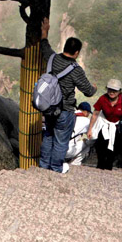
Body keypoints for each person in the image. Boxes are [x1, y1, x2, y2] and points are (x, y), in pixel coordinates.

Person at [38, 18, 97, 173]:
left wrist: (44, 32)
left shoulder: (52, 58)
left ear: (64, 47)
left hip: (49, 107)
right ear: (76, 52)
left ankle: (43, 166)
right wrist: (94, 88)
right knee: (61, 141)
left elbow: (44, 46)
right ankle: (56, 168)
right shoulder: (75, 69)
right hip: (65, 110)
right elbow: (88, 91)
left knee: (48, 136)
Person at [87, 78, 122, 170]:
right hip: (104, 123)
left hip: (116, 126)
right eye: (109, 89)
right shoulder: (103, 99)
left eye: (114, 90)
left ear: (119, 91)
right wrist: (90, 129)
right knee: (101, 144)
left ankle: (108, 166)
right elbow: (95, 114)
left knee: (116, 146)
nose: (111, 92)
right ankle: (100, 165)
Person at [62, 102, 94, 173]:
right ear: (85, 112)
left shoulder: (67, 115)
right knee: (86, 144)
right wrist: (86, 141)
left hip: (56, 149)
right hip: (67, 151)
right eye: (88, 113)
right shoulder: (86, 121)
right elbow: (93, 137)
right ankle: (74, 165)